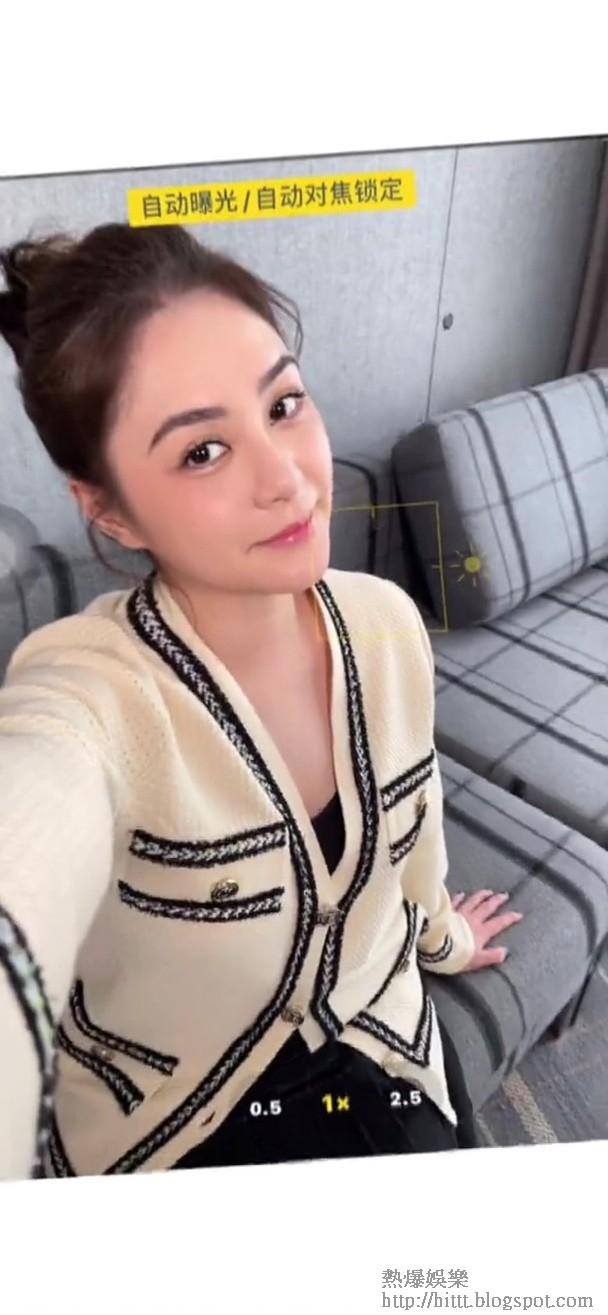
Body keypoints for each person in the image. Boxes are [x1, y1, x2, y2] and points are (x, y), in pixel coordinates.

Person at [0, 223, 522, 1179]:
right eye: (203, 450)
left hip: (385, 1037)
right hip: (178, 1125)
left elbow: (414, 831)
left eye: (283, 404)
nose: (287, 479)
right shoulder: (91, 689)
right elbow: (30, 819)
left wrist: (442, 935)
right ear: (108, 509)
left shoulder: (387, 623)